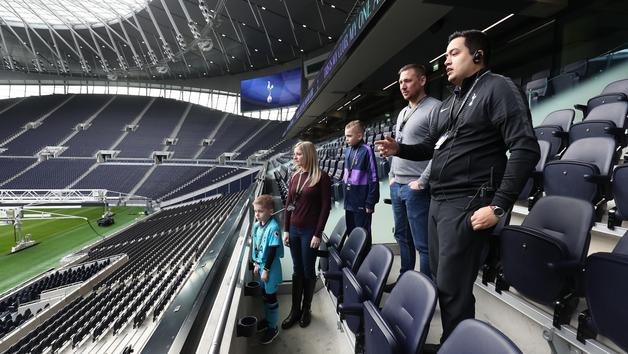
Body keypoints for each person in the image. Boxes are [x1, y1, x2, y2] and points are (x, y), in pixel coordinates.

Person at [375, 30, 540, 342]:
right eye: (446, 55)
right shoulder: (451, 102)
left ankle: (457, 347)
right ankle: (455, 343)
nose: (445, 61)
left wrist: (499, 205)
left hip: (467, 203)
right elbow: (428, 147)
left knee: (452, 289)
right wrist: (400, 149)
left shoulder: (498, 87)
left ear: (477, 56)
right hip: (438, 201)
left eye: (453, 53)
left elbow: (525, 149)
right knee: (442, 283)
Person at [389, 64, 440, 282]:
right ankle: (405, 280)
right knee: (403, 237)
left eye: (408, 81)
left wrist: (422, 181)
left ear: (422, 80)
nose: (403, 86)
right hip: (397, 184)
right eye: (401, 82)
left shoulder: (435, 108)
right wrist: (391, 175)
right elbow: (398, 145)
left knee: (423, 243)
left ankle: (424, 290)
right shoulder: (403, 112)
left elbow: (440, 149)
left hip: (416, 187)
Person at [282, 141, 332, 329]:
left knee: (308, 270)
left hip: (310, 232)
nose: (295, 157)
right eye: (294, 154)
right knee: (297, 270)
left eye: (298, 154)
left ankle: (306, 309)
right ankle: (295, 310)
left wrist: (317, 233)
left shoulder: (322, 177)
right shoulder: (295, 176)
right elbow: (288, 205)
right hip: (294, 230)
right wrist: (286, 229)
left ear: (308, 155)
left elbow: (325, 208)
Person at [251, 194, 284, 344]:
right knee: (265, 295)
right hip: (262, 267)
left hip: (270, 269)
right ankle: (268, 320)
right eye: (255, 211)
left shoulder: (274, 228)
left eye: (260, 211)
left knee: (271, 297)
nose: (257, 214)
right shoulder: (258, 226)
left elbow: (271, 251)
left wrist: (266, 270)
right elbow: (258, 247)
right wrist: (257, 264)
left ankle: (273, 327)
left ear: (270, 212)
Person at [343, 120, 379, 246]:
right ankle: (355, 263)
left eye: (349, 136)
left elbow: (374, 177)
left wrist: (370, 201)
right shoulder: (347, 150)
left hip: (362, 202)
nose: (346, 139)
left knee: (363, 235)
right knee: (351, 234)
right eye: (345, 136)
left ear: (359, 135)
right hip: (349, 201)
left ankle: (366, 262)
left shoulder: (367, 150)